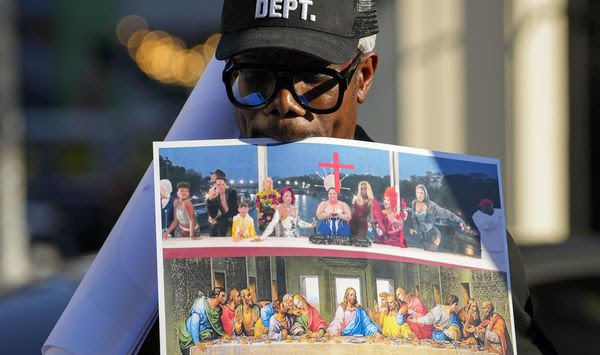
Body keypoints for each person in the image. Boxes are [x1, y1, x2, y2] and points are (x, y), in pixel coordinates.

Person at [409, 184, 467, 251]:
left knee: (432, 255)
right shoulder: (414, 203)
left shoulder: (432, 205)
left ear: (425, 193)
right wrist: (414, 228)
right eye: (418, 192)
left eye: (422, 193)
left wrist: (460, 220)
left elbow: (446, 213)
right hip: (423, 235)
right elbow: (414, 218)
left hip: (434, 235)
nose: (420, 195)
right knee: (426, 254)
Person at [178, 288, 226, 355]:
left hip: (204, 334)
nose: (224, 298)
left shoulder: (218, 309)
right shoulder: (201, 304)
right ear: (216, 296)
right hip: (189, 334)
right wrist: (197, 342)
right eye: (222, 296)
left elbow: (217, 325)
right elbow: (194, 323)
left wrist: (223, 334)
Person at [350, 181, 383, 246]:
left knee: (359, 243)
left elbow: (372, 220)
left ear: (368, 190)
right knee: (350, 242)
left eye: (365, 189)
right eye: (361, 189)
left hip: (362, 226)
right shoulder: (356, 200)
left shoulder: (370, 202)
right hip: (352, 223)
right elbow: (352, 212)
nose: (363, 191)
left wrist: (376, 236)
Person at [206, 171, 238, 236]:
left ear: (226, 185)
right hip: (221, 221)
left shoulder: (232, 192)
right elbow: (213, 214)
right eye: (218, 185)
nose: (221, 186)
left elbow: (233, 209)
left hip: (232, 218)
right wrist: (210, 199)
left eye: (222, 184)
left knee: (225, 230)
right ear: (215, 186)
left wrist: (224, 219)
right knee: (214, 232)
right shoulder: (214, 196)